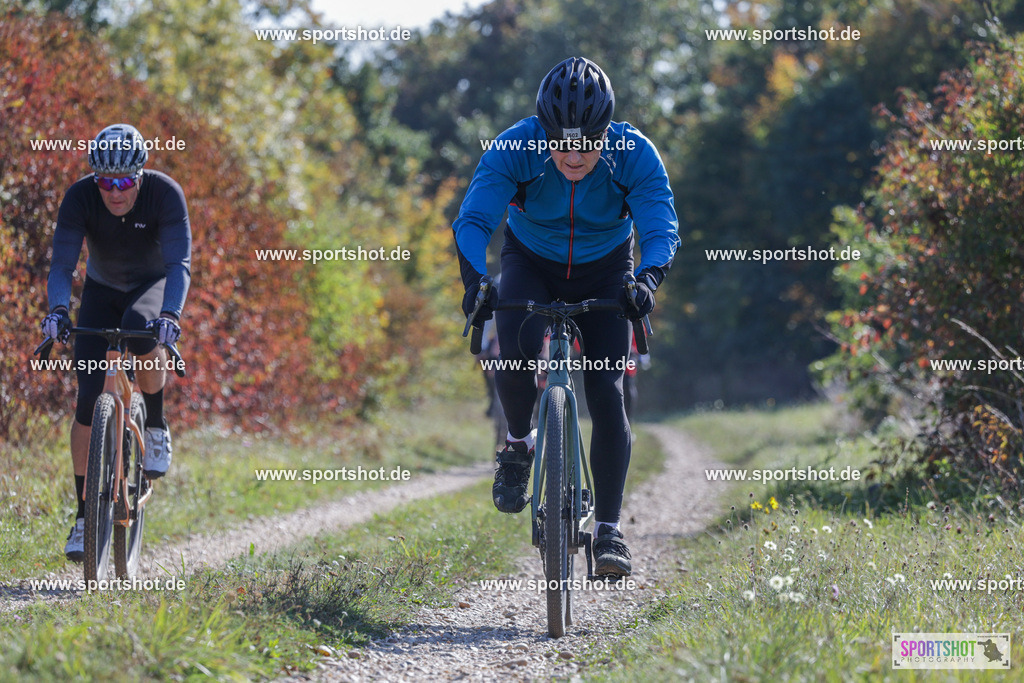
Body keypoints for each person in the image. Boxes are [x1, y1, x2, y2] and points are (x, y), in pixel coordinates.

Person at [453, 57, 679, 576]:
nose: (573, 154)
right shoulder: (515, 147)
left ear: (607, 132)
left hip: (607, 268)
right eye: (560, 142)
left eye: (587, 142)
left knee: (606, 390)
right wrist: (476, 282)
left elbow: (660, 226)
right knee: (513, 352)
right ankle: (517, 442)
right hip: (530, 260)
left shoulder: (635, 154)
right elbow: (474, 220)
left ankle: (609, 531)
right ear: (543, 132)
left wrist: (646, 280)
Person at [41, 123, 192, 563]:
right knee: (88, 401)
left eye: (125, 181)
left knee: (141, 325)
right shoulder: (80, 197)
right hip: (101, 291)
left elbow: (179, 263)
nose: (115, 192)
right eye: (106, 182)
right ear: (96, 178)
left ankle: (156, 424)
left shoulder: (165, 194)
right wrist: (56, 310)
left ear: (140, 174)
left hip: (152, 286)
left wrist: (171, 316)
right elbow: (63, 263)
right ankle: (86, 517)